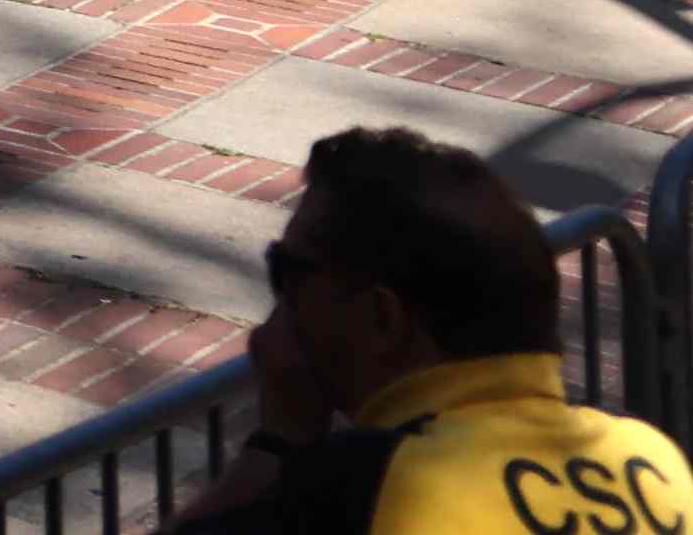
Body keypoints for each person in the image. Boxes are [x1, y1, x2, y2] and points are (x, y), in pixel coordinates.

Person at [187, 129, 689, 532]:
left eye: (289, 273)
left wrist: (279, 441)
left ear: (382, 317)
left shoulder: (362, 489)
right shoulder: (653, 463)